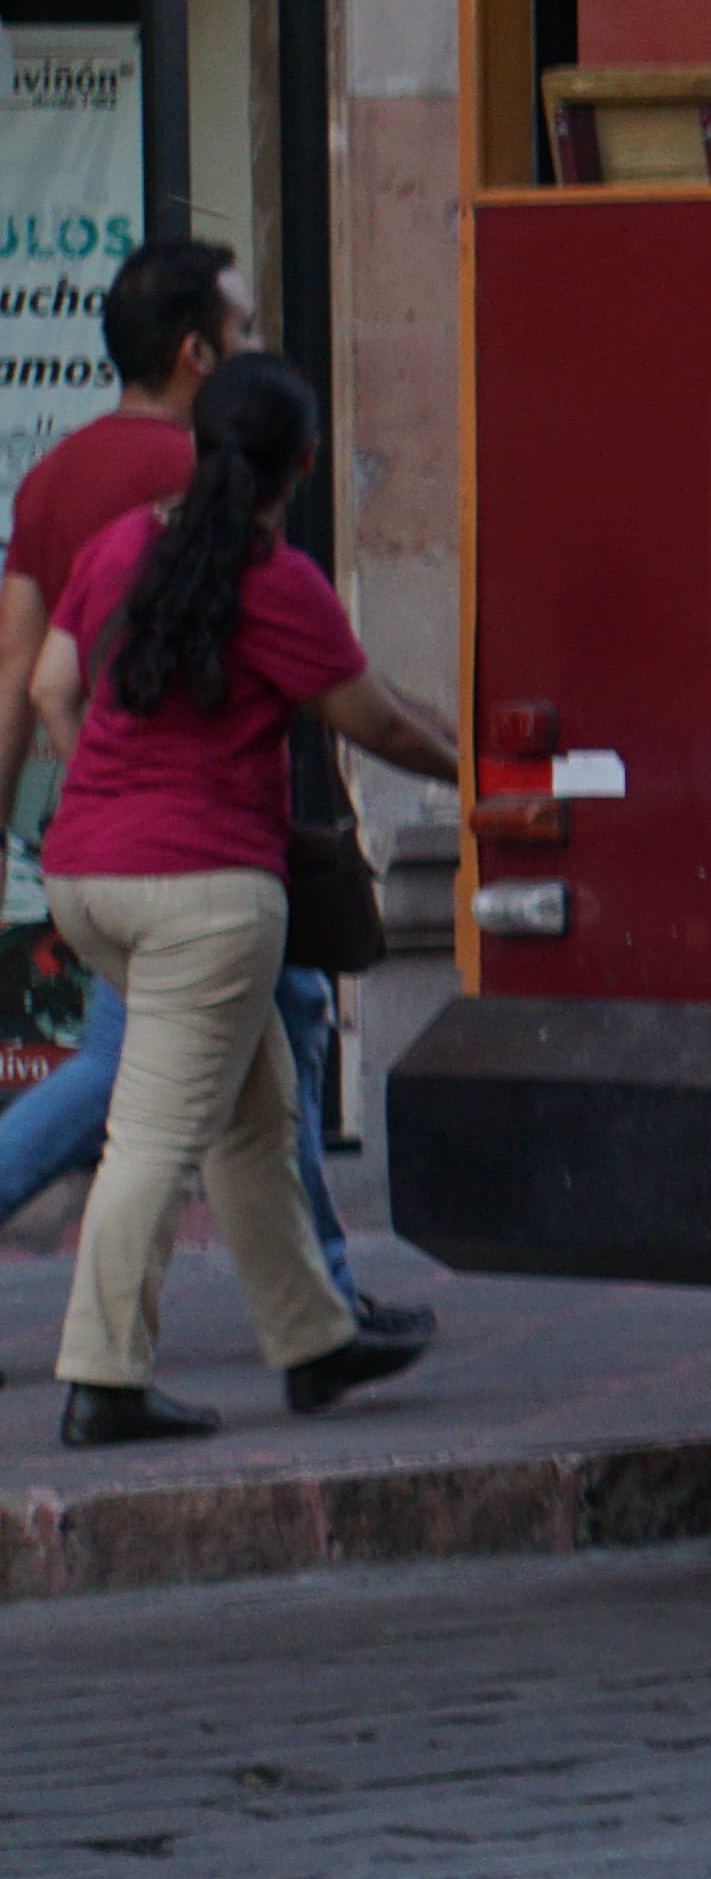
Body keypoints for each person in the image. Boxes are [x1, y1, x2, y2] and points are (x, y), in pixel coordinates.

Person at [43, 354, 454, 1447]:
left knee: (257, 1106)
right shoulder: (277, 581)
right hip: (205, 896)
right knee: (155, 1137)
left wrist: (114, 798)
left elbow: (49, 684)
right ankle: (102, 1378)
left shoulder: (118, 547)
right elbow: (378, 723)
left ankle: (315, 1342)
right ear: (306, 463)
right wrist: (487, 776)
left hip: (85, 877)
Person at [0, 239, 385, 1325]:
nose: (262, 346)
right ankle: (318, 1310)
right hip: (198, 853)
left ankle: (325, 1314)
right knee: (149, 1089)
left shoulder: (53, 477)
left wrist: (64, 800)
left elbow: (23, 674)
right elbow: (324, 676)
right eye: (247, 330)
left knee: (265, 1047)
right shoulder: (207, 483)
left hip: (117, 850)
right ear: (196, 354)